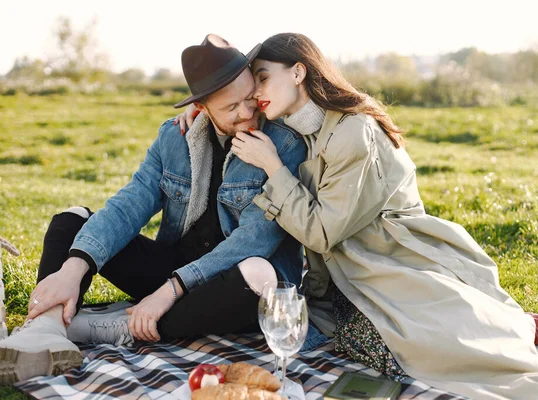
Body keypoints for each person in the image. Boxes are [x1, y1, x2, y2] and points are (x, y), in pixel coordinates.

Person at [179, 32, 538, 399]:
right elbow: (227, 97)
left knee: (406, 354)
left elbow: (322, 233)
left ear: (299, 72)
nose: (256, 94)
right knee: (341, 338)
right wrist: (203, 113)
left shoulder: (353, 131)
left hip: (396, 261)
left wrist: (272, 167)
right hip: (352, 276)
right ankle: (507, 323)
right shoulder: (302, 130)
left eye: (264, 77)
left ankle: (511, 327)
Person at [0, 34, 308, 384]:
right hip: (174, 264)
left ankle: (116, 326)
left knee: (258, 271)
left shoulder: (281, 144)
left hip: (228, 282)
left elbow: (253, 240)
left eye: (249, 97)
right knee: (73, 220)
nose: (247, 112)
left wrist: (169, 292)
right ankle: (47, 328)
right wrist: (74, 268)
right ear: (203, 108)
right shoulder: (174, 138)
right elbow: (130, 204)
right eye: (230, 107)